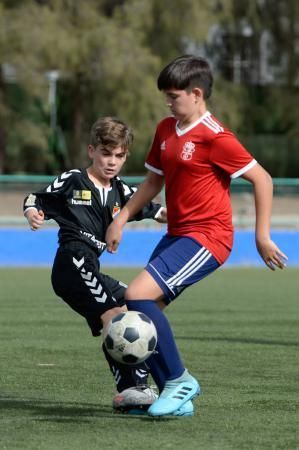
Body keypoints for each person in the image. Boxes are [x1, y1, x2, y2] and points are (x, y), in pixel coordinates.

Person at [105, 55, 288, 417]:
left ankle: (179, 381)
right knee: (141, 311)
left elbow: (262, 179)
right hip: (177, 235)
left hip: (209, 238)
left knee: (136, 294)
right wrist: (122, 217)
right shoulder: (165, 129)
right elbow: (154, 181)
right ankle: (174, 400)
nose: (168, 103)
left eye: (174, 96)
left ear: (196, 93)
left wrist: (261, 236)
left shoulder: (216, 137)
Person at [23, 116, 167, 414]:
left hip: (91, 267)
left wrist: (175, 214)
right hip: (72, 262)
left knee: (134, 305)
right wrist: (32, 212)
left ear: (126, 156)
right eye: (105, 153)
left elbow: (153, 209)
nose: (111, 162)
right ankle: (134, 389)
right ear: (92, 150)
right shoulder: (74, 179)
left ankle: (133, 390)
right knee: (116, 319)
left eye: (119, 156)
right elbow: (36, 197)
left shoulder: (122, 191)